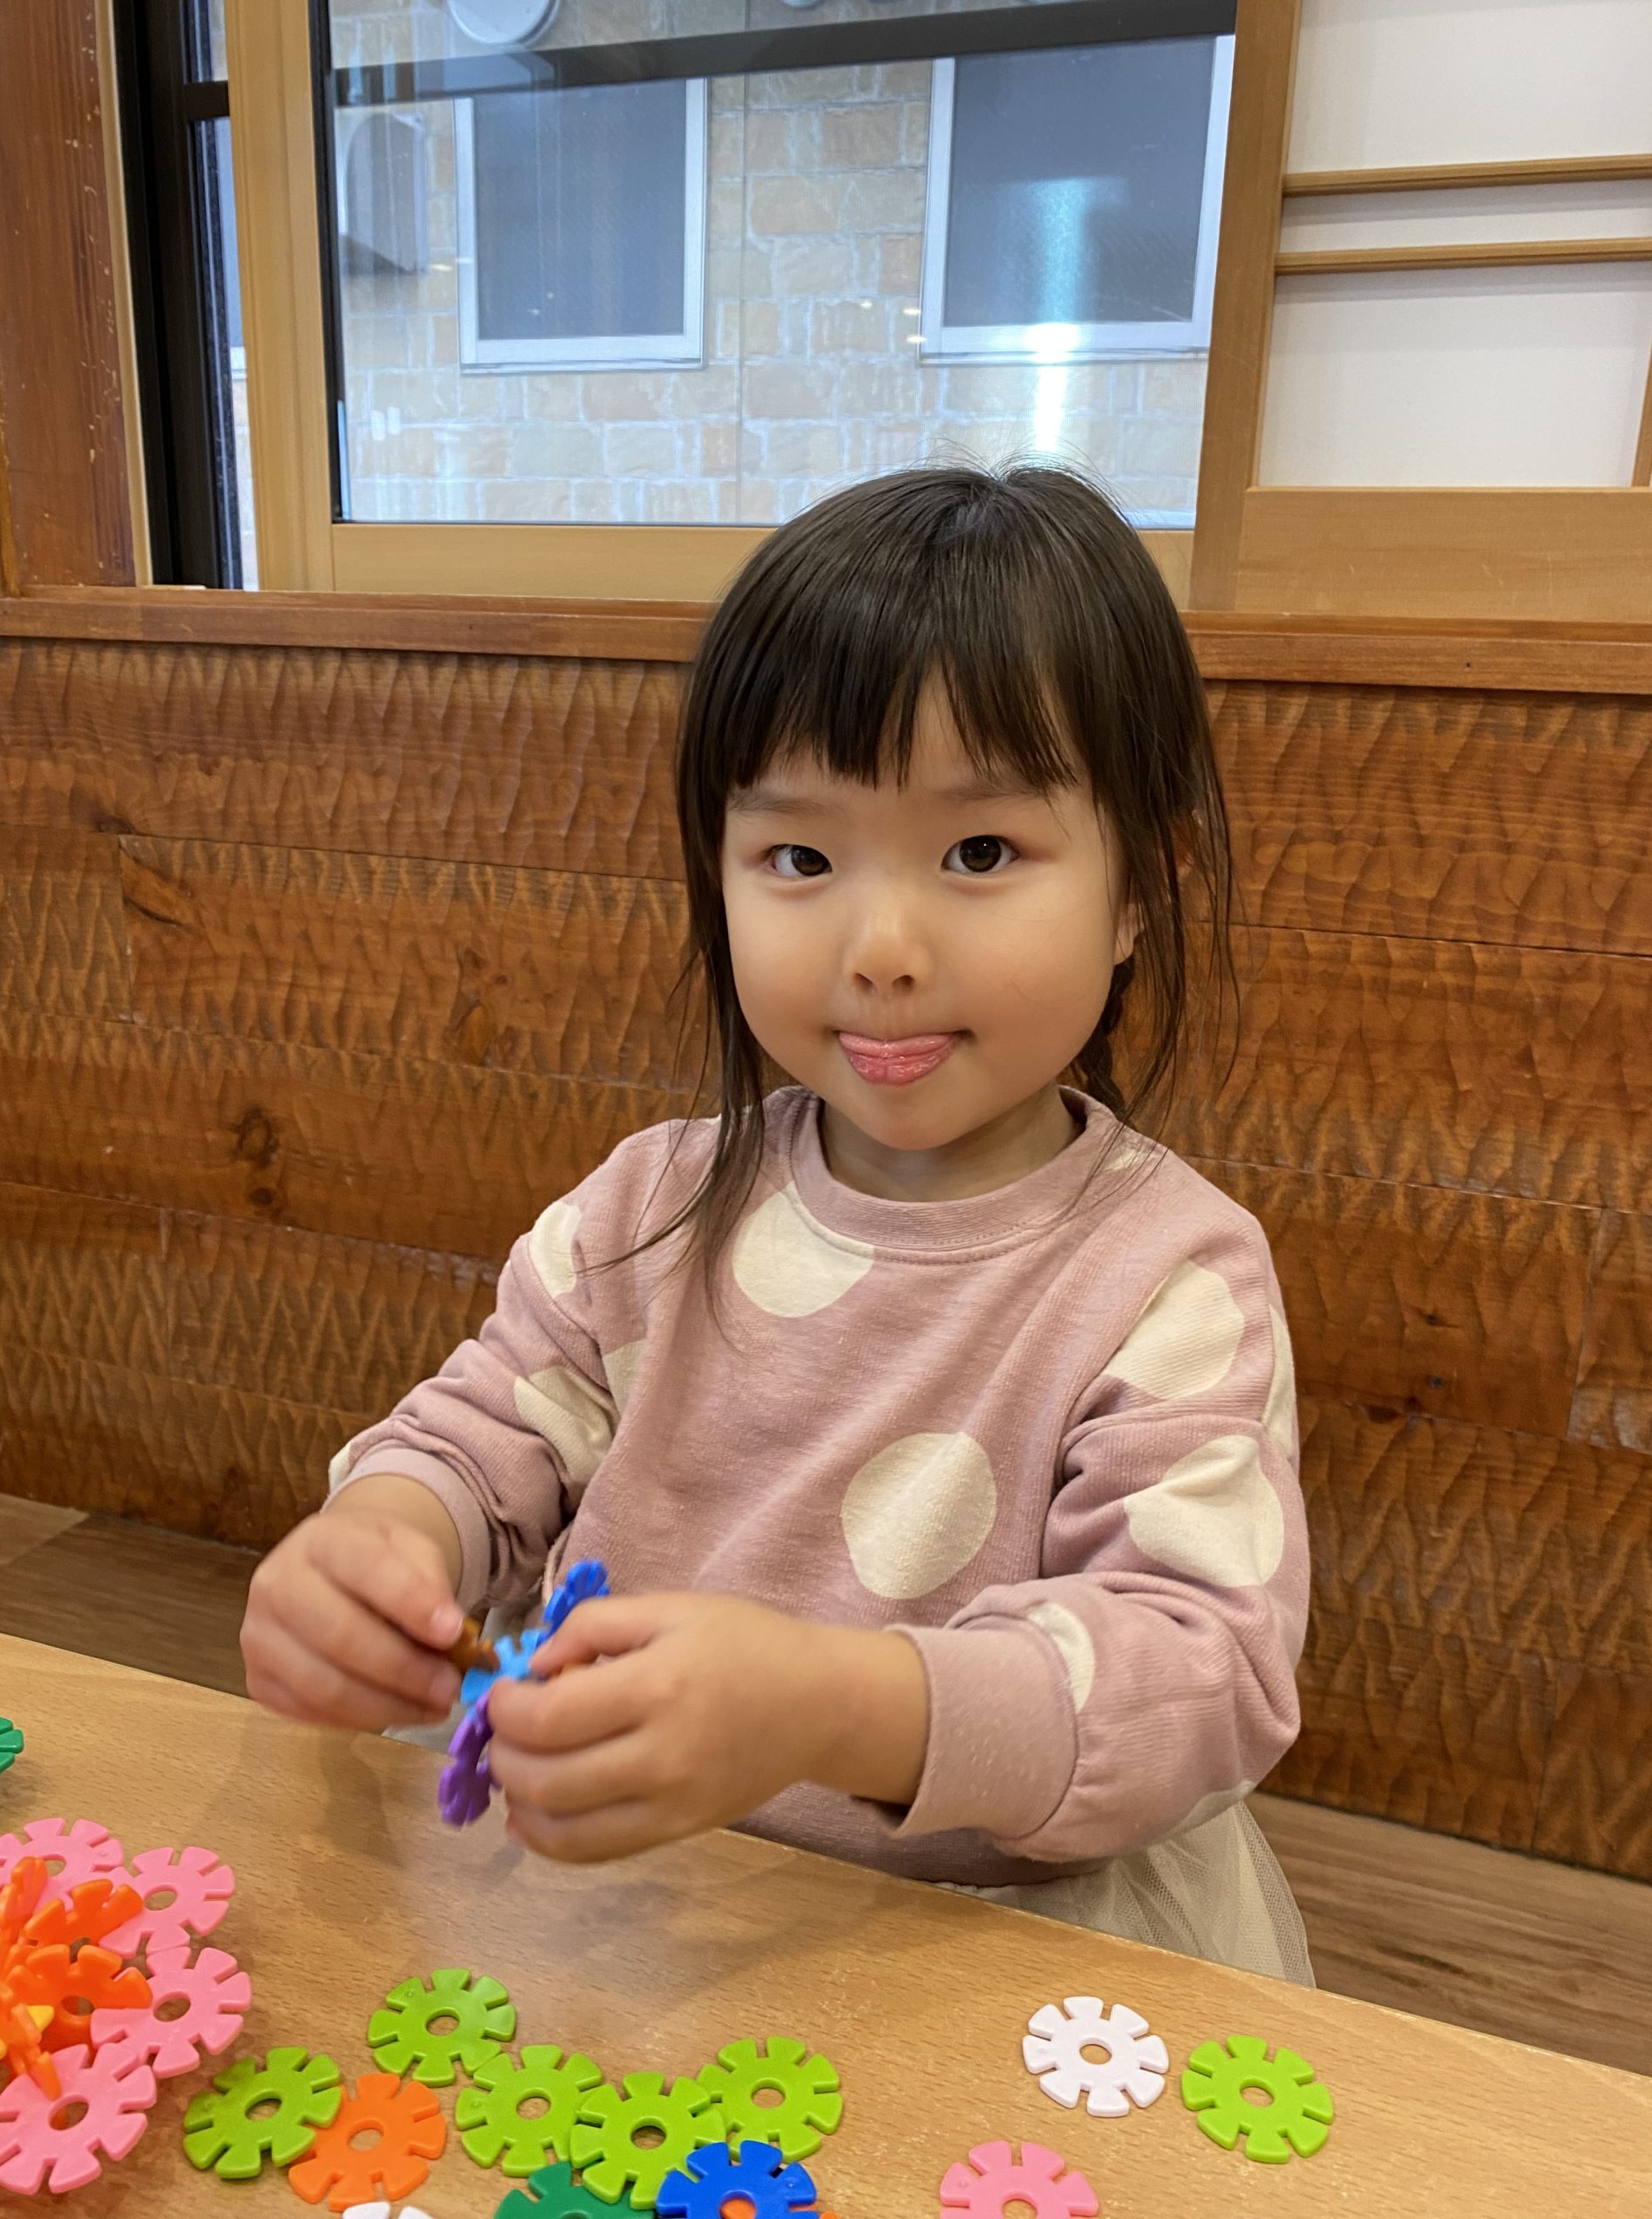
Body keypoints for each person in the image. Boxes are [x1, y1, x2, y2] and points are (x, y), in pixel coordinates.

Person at [241, 465, 1313, 1984]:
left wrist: (826, 1707)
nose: (881, 949)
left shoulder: (1167, 1277)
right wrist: (379, 1544)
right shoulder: (649, 1209)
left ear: (1146, 885)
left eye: (981, 853)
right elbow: (483, 1438)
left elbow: (1198, 1678)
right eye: (800, 859)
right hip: (623, 1894)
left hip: (988, 1942)